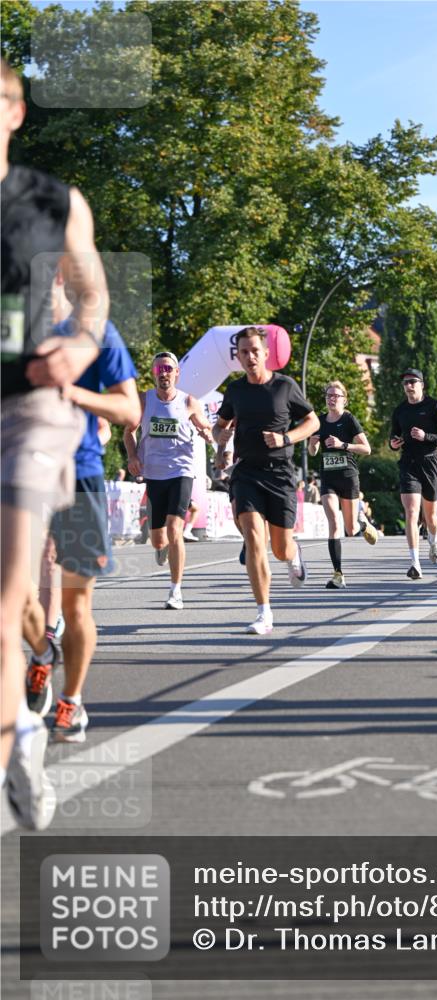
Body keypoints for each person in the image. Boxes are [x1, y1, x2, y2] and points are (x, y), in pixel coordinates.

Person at [1, 59, 109, 829]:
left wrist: (79, 341)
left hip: (31, 407)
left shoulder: (54, 200)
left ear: (15, 113)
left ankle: (15, 736)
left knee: (7, 598)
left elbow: (94, 293)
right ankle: (26, 731)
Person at [24, 273, 140, 742]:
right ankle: (41, 651)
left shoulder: (94, 333)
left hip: (79, 476)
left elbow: (129, 410)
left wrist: (70, 392)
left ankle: (71, 701)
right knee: (13, 595)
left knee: (75, 603)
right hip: (21, 475)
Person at [212, 327, 319, 634]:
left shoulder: (284, 386)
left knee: (280, 549)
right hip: (246, 473)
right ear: (238, 356)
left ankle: (294, 554)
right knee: (254, 540)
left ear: (266, 353)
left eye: (255, 351)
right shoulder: (235, 391)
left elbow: (312, 421)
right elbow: (219, 428)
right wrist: (222, 442)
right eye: (243, 352)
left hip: (281, 475)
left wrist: (286, 438)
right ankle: (264, 613)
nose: (249, 357)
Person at [124, 351, 214, 609]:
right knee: (158, 540)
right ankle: (161, 548)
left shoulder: (188, 402)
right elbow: (128, 432)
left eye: (168, 368)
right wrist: (132, 456)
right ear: (154, 374)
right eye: (158, 369)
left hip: (181, 472)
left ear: (177, 373)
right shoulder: (144, 401)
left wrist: (206, 434)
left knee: (175, 529)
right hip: (154, 473)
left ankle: (176, 590)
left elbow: (205, 426)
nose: (163, 373)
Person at [308, 380, 377, 589]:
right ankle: (338, 574)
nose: (331, 398)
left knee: (350, 528)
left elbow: (367, 449)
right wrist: (312, 444)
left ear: (344, 400)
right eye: (329, 395)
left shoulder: (349, 420)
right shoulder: (319, 421)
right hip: (328, 477)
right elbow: (312, 453)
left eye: (336, 396)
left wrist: (342, 445)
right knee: (334, 524)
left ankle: (362, 523)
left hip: (348, 476)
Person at [389, 368, 437, 579]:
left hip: (430, 463)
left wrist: (426, 436)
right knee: (411, 512)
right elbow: (393, 437)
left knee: (431, 516)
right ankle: (415, 563)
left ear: (422, 384)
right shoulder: (400, 411)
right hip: (409, 463)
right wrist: (394, 443)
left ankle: (434, 541)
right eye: (406, 382)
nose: (408, 386)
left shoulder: (434, 406)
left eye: (413, 382)